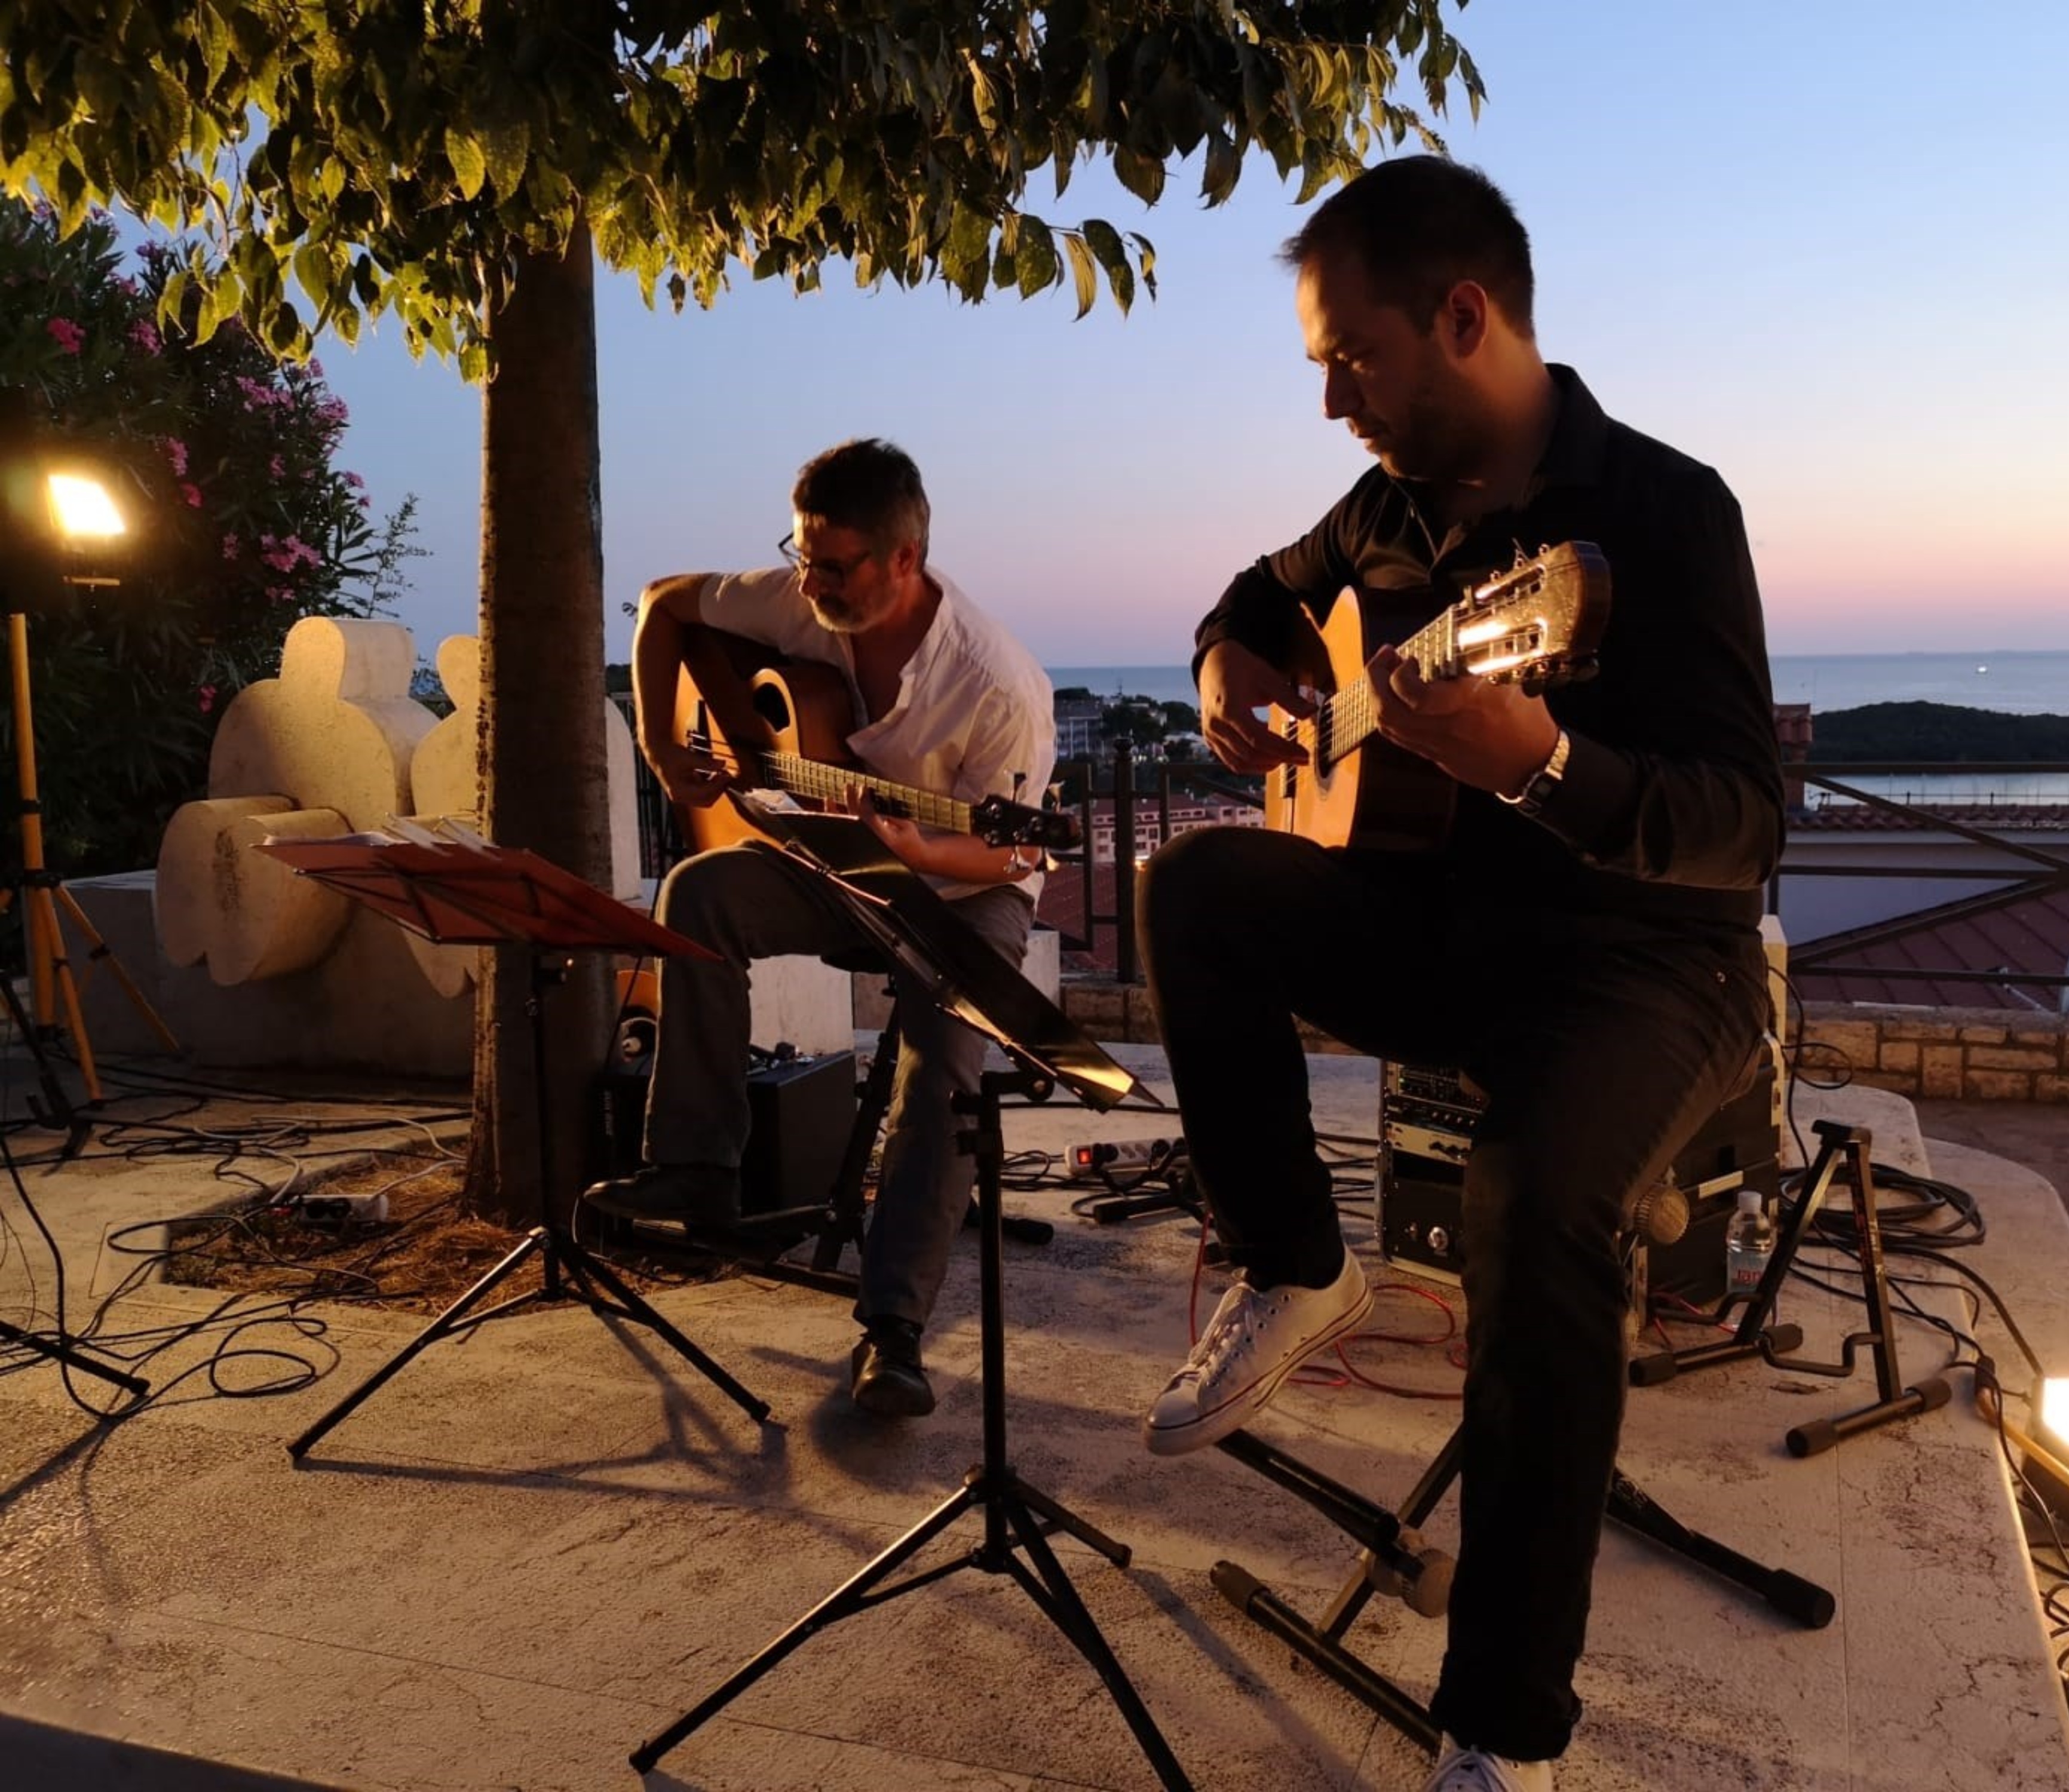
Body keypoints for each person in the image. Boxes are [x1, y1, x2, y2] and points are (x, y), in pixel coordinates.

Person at [1135, 159, 1783, 1791]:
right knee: (1195, 883)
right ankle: (1295, 1266)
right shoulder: (1389, 512)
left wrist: (1546, 762)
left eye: (1352, 359)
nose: (1334, 399)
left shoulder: (1663, 513)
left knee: (1532, 1199)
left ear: (1466, 318)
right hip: (1449, 932)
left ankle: (1501, 1733)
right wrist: (1232, 655)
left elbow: (1739, 828)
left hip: (1654, 972)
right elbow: (1262, 594)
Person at [584, 438, 1056, 1420]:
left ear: (905, 560)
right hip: (838, 868)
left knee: (940, 1077)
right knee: (701, 889)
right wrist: (666, 750)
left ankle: (893, 1335)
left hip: (963, 890)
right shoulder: (800, 597)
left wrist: (923, 852)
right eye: (803, 555)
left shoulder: (998, 686)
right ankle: (697, 1172)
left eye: (833, 567)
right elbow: (664, 603)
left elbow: (1013, 856)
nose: (810, 581)